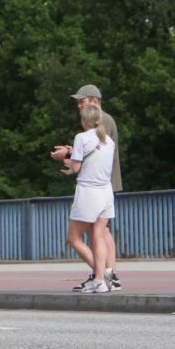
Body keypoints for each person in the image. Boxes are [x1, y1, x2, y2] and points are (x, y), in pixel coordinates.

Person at [51, 84, 123, 290]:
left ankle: (106, 274)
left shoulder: (103, 121)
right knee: (98, 232)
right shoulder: (104, 135)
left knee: (83, 235)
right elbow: (98, 147)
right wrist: (71, 152)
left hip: (94, 186)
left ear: (95, 101)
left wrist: (71, 161)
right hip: (104, 187)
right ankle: (102, 277)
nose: (79, 105)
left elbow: (90, 150)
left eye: (82, 101)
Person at [62, 104, 116, 293]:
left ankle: (99, 274)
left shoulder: (81, 138)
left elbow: (76, 168)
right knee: (98, 235)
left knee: (73, 237)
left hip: (88, 191)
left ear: (85, 120)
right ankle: (102, 279)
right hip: (106, 192)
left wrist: (68, 165)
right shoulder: (109, 141)